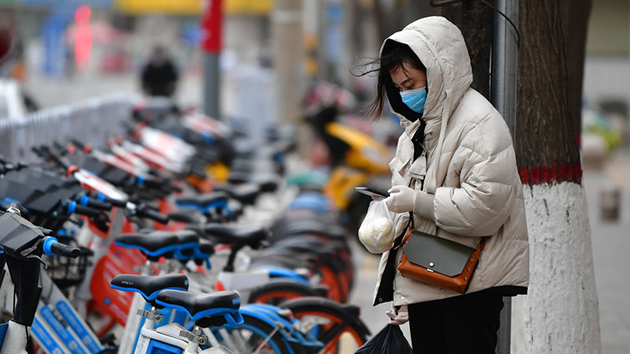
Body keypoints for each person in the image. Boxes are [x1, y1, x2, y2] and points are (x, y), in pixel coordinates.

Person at [362, 16, 529, 354]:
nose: (405, 93)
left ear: (437, 70)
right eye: (399, 87)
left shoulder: (479, 124)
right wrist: (402, 289)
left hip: (470, 288)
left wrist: (417, 201)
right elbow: (412, 216)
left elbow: (486, 207)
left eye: (411, 83)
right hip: (433, 280)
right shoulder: (418, 128)